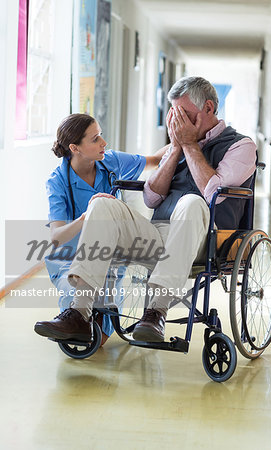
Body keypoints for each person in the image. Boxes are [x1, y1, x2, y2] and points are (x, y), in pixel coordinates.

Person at [35, 76, 257, 344]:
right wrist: (176, 148)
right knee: (102, 203)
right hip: (157, 235)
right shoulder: (176, 144)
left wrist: (189, 146)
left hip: (204, 240)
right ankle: (79, 314)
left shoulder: (241, 146)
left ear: (208, 108)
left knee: (192, 201)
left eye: (184, 114)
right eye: (174, 115)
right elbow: (151, 198)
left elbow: (214, 194)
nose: (178, 123)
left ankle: (155, 313)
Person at [41, 113, 167, 345]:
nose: (104, 143)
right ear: (74, 148)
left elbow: (156, 159)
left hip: (108, 258)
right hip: (70, 259)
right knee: (77, 324)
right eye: (95, 138)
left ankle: (90, 315)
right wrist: (87, 217)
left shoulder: (110, 161)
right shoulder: (58, 181)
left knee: (98, 339)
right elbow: (57, 237)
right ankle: (75, 313)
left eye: (101, 135)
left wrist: (183, 139)